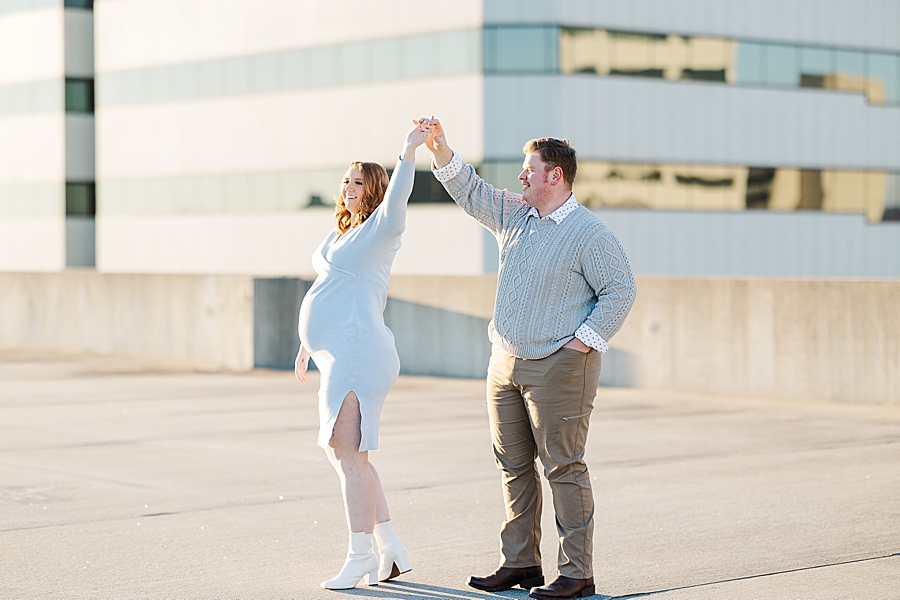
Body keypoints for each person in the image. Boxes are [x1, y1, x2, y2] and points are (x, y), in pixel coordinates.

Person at [424, 120, 637, 600]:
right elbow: (469, 189)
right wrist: (439, 148)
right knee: (513, 465)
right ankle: (520, 563)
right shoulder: (516, 214)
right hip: (504, 362)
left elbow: (620, 290)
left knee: (563, 467)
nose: (521, 177)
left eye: (529, 170)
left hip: (560, 366)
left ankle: (577, 573)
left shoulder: (589, 233)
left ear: (555, 176)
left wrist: (581, 342)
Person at [294, 119, 434, 590]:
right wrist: (306, 344)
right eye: (345, 180)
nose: (349, 187)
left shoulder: (379, 230)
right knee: (350, 458)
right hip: (337, 352)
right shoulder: (341, 234)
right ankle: (390, 547)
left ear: (373, 190)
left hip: (359, 353)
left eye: (359, 182)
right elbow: (329, 289)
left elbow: (399, 198)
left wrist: (409, 149)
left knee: (348, 456)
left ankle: (358, 557)